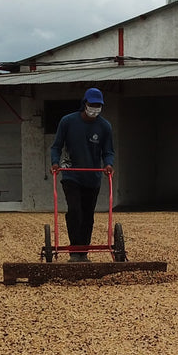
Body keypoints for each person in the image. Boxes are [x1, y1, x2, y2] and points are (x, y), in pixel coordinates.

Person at [49, 87, 116, 261]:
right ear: (84, 103)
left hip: (92, 177)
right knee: (75, 211)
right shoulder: (68, 122)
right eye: (92, 104)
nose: (95, 108)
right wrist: (55, 163)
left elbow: (108, 151)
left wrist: (108, 164)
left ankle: (83, 253)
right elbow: (56, 146)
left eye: (98, 105)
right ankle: (74, 251)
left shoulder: (104, 126)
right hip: (71, 174)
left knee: (88, 215)